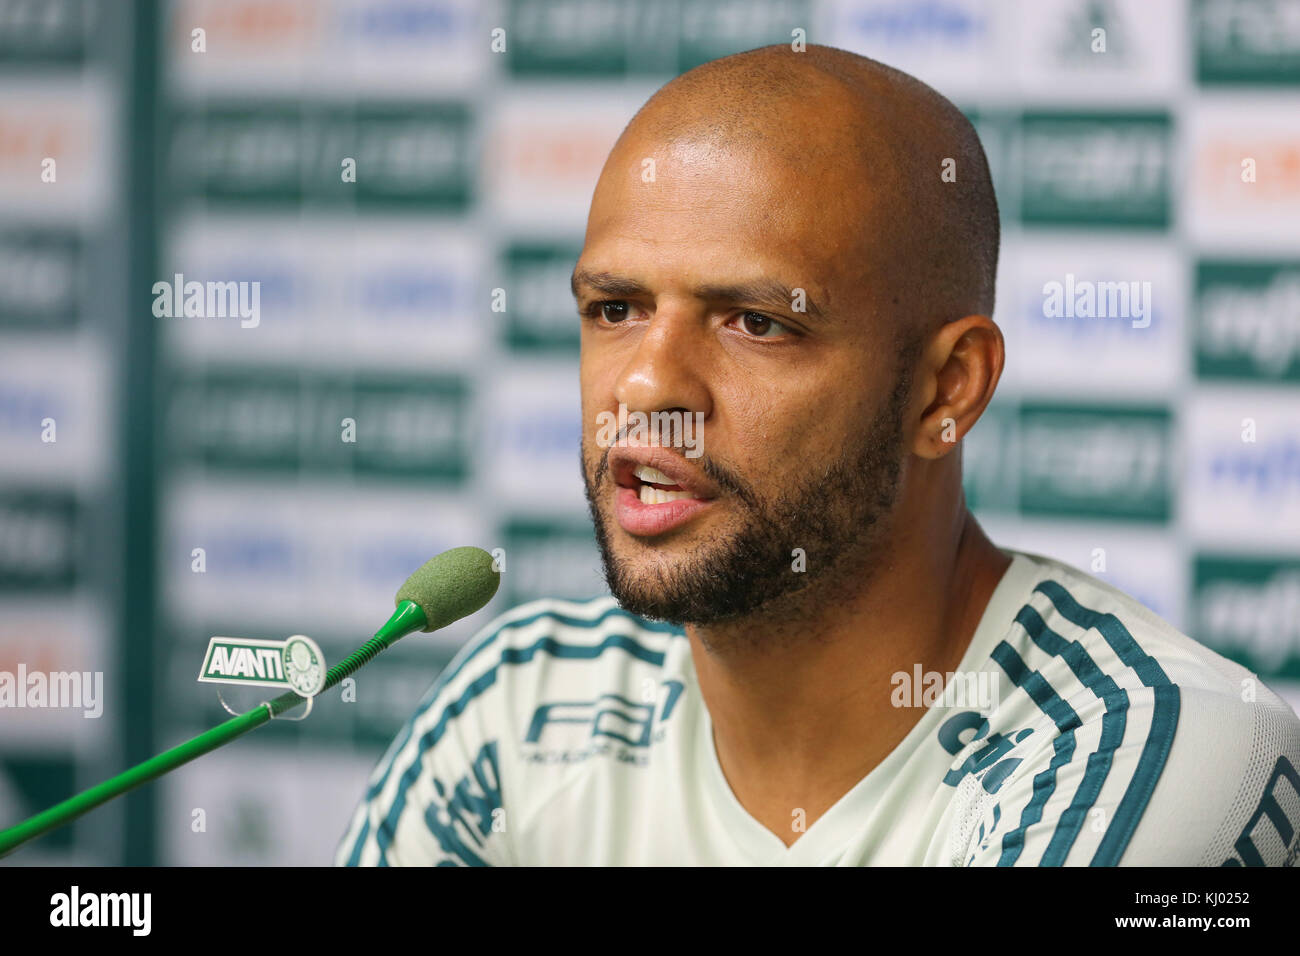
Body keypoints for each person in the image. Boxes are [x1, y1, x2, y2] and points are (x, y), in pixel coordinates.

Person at [337, 43, 1300, 866]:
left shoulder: (1154, 745)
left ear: (948, 388)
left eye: (755, 323)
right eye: (616, 311)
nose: (645, 388)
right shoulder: (520, 707)